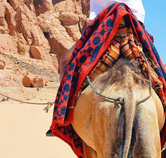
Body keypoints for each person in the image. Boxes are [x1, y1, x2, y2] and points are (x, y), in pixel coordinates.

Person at [46, 0, 145, 136]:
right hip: (134, 24)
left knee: (66, 60)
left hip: (105, 25)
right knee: (155, 70)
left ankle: (62, 115)